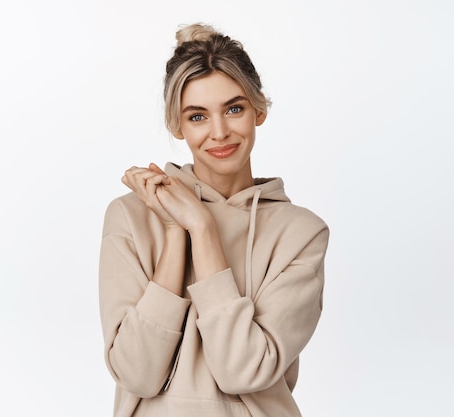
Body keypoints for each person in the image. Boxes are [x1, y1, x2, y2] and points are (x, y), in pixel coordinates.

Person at [98, 22, 329, 417]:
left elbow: (243, 370)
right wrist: (175, 230)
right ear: (177, 125)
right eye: (198, 117)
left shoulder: (301, 233)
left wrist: (202, 229)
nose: (219, 132)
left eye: (234, 109)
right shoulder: (132, 215)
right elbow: (136, 374)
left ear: (260, 110)